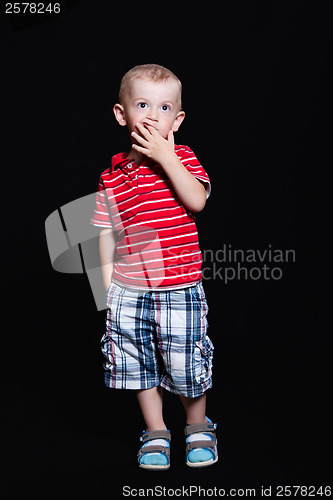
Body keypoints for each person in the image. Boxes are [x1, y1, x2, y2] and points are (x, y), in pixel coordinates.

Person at [91, 64, 217, 470]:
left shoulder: (181, 157)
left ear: (176, 120)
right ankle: (156, 430)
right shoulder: (112, 175)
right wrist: (108, 288)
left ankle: (197, 425)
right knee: (136, 361)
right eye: (142, 104)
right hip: (130, 290)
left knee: (183, 361)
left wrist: (166, 156)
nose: (152, 115)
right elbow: (105, 234)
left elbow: (196, 200)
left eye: (164, 108)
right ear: (121, 113)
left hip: (179, 286)